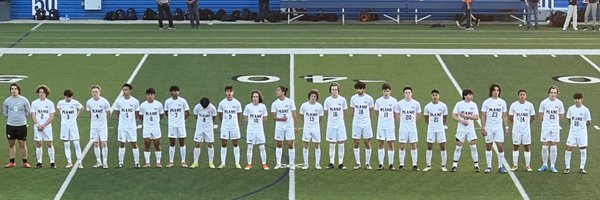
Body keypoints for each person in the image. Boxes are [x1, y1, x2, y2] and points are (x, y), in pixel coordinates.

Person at [481, 83, 509, 174]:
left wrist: (507, 127)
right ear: (491, 91)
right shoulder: (486, 102)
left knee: (500, 147)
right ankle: (489, 166)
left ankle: (500, 166)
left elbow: (504, 116)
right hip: (489, 128)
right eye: (494, 90)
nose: (496, 92)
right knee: (489, 146)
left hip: (498, 128)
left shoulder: (502, 102)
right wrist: (483, 127)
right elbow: (483, 115)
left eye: (498, 90)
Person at [451, 89, 480, 172]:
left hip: (470, 129)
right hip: (461, 129)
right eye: (470, 95)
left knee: (473, 147)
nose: (471, 96)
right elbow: (453, 115)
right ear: (465, 96)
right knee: (458, 147)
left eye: (472, 94)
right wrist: (462, 121)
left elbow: (477, 117)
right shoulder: (459, 104)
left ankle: (476, 165)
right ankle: (454, 165)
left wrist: (466, 116)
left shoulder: (473, 105)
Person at [113, 83, 141, 168]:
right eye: (123, 90)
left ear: (130, 91)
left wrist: (131, 121)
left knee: (134, 143)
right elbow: (117, 112)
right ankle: (121, 162)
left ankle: (137, 162)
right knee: (122, 143)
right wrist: (123, 120)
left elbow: (136, 113)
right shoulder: (119, 101)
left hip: (131, 126)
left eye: (126, 90)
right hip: (122, 126)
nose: (124, 91)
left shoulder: (135, 101)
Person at [3, 83, 31, 168]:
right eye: (12, 89)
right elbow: (5, 113)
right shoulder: (7, 101)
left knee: (22, 144)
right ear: (10, 90)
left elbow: (28, 112)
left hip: (21, 126)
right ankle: (12, 162)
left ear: (18, 90)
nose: (14, 90)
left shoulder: (24, 100)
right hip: (10, 125)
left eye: (15, 89)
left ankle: (25, 162)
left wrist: (21, 118)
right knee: (11, 144)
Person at [271, 86, 299, 170]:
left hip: (289, 126)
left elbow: (294, 114)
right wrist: (281, 119)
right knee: (279, 144)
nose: (276, 92)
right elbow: (274, 117)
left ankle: (291, 164)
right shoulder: (275, 103)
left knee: (290, 144)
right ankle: (278, 163)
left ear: (283, 92)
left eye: (278, 90)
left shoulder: (290, 102)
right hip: (279, 127)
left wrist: (296, 126)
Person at [538, 85, 564, 173]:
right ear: (549, 93)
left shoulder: (559, 103)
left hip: (555, 127)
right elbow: (541, 114)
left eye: (555, 93)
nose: (553, 94)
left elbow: (561, 115)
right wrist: (546, 122)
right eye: (552, 92)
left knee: (553, 146)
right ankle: (544, 164)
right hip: (546, 127)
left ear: (557, 94)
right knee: (545, 146)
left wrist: (555, 123)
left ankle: (552, 166)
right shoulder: (544, 103)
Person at [564, 92, 592, 174]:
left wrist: (583, 128)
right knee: (569, 148)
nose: (577, 100)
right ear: (574, 99)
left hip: (582, 133)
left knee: (583, 149)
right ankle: (567, 167)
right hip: (572, 132)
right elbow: (569, 119)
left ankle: (582, 168)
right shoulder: (571, 109)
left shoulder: (585, 110)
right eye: (576, 99)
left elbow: (589, 122)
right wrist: (573, 127)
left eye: (579, 99)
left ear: (582, 99)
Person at [508, 89, 535, 172]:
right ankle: (515, 165)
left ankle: (528, 165)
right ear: (518, 96)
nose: (522, 96)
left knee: (527, 146)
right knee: (516, 146)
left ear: (526, 96)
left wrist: (526, 124)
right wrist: (516, 123)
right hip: (516, 130)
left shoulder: (530, 105)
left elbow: (533, 117)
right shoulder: (514, 105)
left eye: (523, 94)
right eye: (520, 94)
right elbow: (510, 117)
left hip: (526, 130)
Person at [395, 86, 421, 171]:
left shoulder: (416, 103)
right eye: (406, 93)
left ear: (411, 93)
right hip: (403, 128)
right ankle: (401, 164)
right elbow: (397, 115)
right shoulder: (399, 104)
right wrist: (402, 122)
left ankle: (414, 165)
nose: (407, 94)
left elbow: (418, 114)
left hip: (412, 128)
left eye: (409, 92)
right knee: (402, 146)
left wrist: (413, 122)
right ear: (404, 94)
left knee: (413, 145)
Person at [349, 81, 374, 170]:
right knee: (356, 142)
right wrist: (355, 120)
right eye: (357, 89)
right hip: (356, 123)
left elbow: (371, 111)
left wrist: (368, 120)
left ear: (364, 89)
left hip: (366, 123)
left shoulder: (369, 98)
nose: (358, 90)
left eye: (360, 88)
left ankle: (367, 163)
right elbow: (352, 110)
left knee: (367, 142)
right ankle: (358, 163)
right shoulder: (353, 98)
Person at [56, 90, 84, 169]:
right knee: (66, 144)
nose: (69, 98)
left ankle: (79, 162)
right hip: (64, 125)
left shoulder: (75, 102)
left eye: (70, 97)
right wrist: (62, 115)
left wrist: (76, 116)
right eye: (68, 97)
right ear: (64, 96)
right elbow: (58, 108)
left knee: (76, 143)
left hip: (73, 125)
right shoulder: (61, 103)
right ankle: (69, 162)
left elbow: (82, 108)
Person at [324, 82, 348, 170]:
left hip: (340, 125)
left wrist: (340, 120)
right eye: (332, 89)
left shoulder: (342, 100)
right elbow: (326, 113)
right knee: (332, 143)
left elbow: (345, 112)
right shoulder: (327, 100)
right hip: (331, 125)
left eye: (335, 89)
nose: (334, 91)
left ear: (338, 90)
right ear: (330, 90)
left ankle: (341, 163)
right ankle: (331, 162)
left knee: (341, 143)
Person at [217, 85, 243, 169]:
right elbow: (220, 115)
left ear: (233, 92)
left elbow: (239, 115)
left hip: (234, 126)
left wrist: (235, 123)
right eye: (227, 91)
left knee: (235, 144)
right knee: (224, 144)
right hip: (225, 126)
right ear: (225, 92)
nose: (229, 93)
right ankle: (223, 163)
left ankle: (237, 163)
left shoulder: (237, 103)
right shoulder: (222, 103)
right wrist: (224, 122)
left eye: (230, 91)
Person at [164, 85, 190, 168]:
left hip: (181, 125)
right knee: (172, 143)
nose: (176, 92)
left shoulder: (182, 101)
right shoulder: (168, 101)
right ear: (171, 92)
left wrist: (182, 119)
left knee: (182, 143)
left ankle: (183, 161)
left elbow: (188, 112)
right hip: (172, 125)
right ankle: (171, 161)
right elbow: (166, 111)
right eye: (175, 91)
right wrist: (171, 120)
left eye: (177, 91)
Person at [423, 89, 448, 172]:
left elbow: (445, 116)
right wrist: (431, 125)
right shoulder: (427, 106)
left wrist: (442, 125)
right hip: (431, 129)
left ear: (439, 96)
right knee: (429, 146)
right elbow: (426, 118)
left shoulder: (443, 106)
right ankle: (428, 165)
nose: (435, 97)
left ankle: (443, 166)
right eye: (433, 95)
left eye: (436, 95)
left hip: (440, 129)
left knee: (442, 146)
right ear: (431, 96)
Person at [86, 85, 112, 169]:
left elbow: (109, 113)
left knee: (104, 143)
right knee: (95, 143)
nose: (95, 93)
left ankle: (105, 162)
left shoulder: (104, 102)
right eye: (93, 92)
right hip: (94, 126)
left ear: (99, 92)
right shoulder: (89, 102)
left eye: (96, 91)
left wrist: (103, 121)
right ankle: (98, 161)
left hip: (102, 126)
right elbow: (89, 113)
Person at [31, 85, 56, 169]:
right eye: (40, 92)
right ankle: (39, 162)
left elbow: (51, 116)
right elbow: (33, 116)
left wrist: (44, 125)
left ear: (46, 93)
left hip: (47, 127)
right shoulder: (34, 103)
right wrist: (38, 125)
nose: (41, 94)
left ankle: (52, 162)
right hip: (38, 127)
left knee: (49, 143)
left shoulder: (50, 103)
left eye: (43, 92)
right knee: (38, 143)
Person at [138, 88, 165, 168]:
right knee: (147, 144)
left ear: (154, 95)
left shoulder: (158, 104)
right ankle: (147, 162)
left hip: (156, 127)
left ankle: (158, 162)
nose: (150, 96)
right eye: (148, 94)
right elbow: (140, 115)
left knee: (157, 144)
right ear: (146, 95)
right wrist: (146, 122)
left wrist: (156, 122)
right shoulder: (143, 105)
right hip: (147, 127)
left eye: (151, 94)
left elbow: (161, 115)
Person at [243, 90, 269, 170]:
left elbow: (265, 118)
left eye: (256, 97)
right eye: (253, 97)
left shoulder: (263, 107)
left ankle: (264, 164)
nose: (255, 98)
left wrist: (258, 124)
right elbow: (245, 118)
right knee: (250, 147)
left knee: (262, 147)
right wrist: (252, 124)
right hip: (250, 130)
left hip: (259, 130)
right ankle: (249, 164)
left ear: (259, 98)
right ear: (251, 98)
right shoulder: (248, 107)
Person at [374, 83, 397, 170]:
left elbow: (395, 113)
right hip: (381, 126)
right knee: (381, 143)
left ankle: (391, 164)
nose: (386, 93)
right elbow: (377, 113)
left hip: (390, 126)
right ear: (382, 91)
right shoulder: (378, 101)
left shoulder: (394, 101)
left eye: (387, 91)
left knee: (391, 144)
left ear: (390, 91)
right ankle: (381, 164)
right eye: (384, 91)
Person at [300, 89, 324, 170]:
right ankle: (306, 164)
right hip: (307, 128)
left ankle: (317, 164)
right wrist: (307, 124)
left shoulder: (319, 106)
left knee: (317, 145)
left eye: (315, 96)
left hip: (316, 128)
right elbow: (302, 116)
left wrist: (315, 124)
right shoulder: (304, 106)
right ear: (309, 97)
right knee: (306, 145)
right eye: (312, 96)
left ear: (317, 97)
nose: (313, 97)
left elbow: (320, 117)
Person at [191, 97, 217, 169]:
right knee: (198, 144)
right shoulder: (197, 107)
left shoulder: (212, 108)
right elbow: (196, 116)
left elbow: (214, 117)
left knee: (210, 144)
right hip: (199, 128)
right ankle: (195, 162)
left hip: (208, 128)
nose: (204, 107)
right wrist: (200, 123)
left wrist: (210, 125)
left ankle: (211, 162)